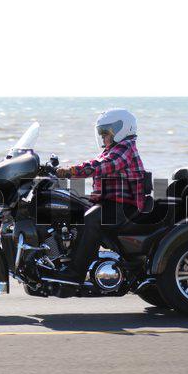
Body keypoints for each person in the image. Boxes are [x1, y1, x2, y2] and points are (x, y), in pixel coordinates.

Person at [56, 108, 147, 282]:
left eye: (106, 133)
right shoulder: (113, 149)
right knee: (73, 206)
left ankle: (75, 273)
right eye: (101, 133)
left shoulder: (125, 148)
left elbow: (103, 165)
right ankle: (63, 259)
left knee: (91, 219)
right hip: (110, 202)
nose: (103, 137)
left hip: (124, 206)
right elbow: (97, 162)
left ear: (121, 129)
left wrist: (71, 171)